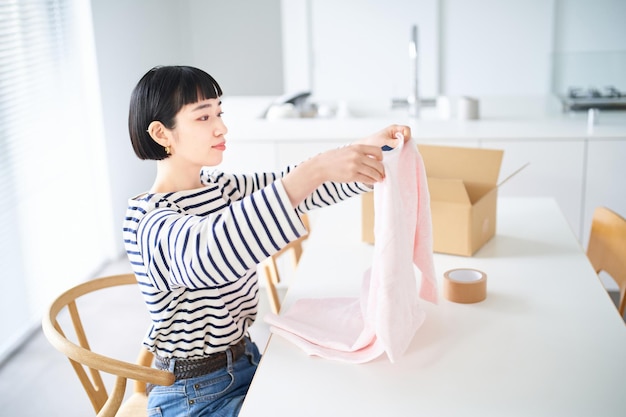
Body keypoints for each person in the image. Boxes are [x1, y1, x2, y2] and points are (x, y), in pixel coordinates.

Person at [123, 65, 411, 416]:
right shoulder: (147, 221)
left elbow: (297, 190)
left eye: (219, 112)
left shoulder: (221, 188)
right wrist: (316, 168)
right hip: (193, 396)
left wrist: (367, 154)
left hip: (247, 358)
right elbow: (210, 253)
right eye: (203, 117)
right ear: (161, 133)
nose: (221, 127)